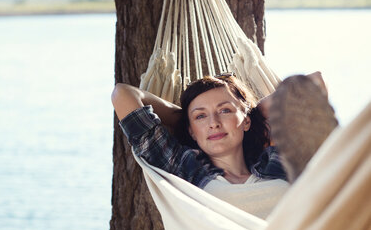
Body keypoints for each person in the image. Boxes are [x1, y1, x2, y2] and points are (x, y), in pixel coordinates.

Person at [111, 72, 334, 218]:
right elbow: (123, 95)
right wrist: (185, 119)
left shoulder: (274, 161)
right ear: (190, 130)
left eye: (224, 111)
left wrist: (251, 116)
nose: (214, 124)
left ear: (245, 120)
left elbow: (313, 84)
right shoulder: (185, 171)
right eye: (201, 117)